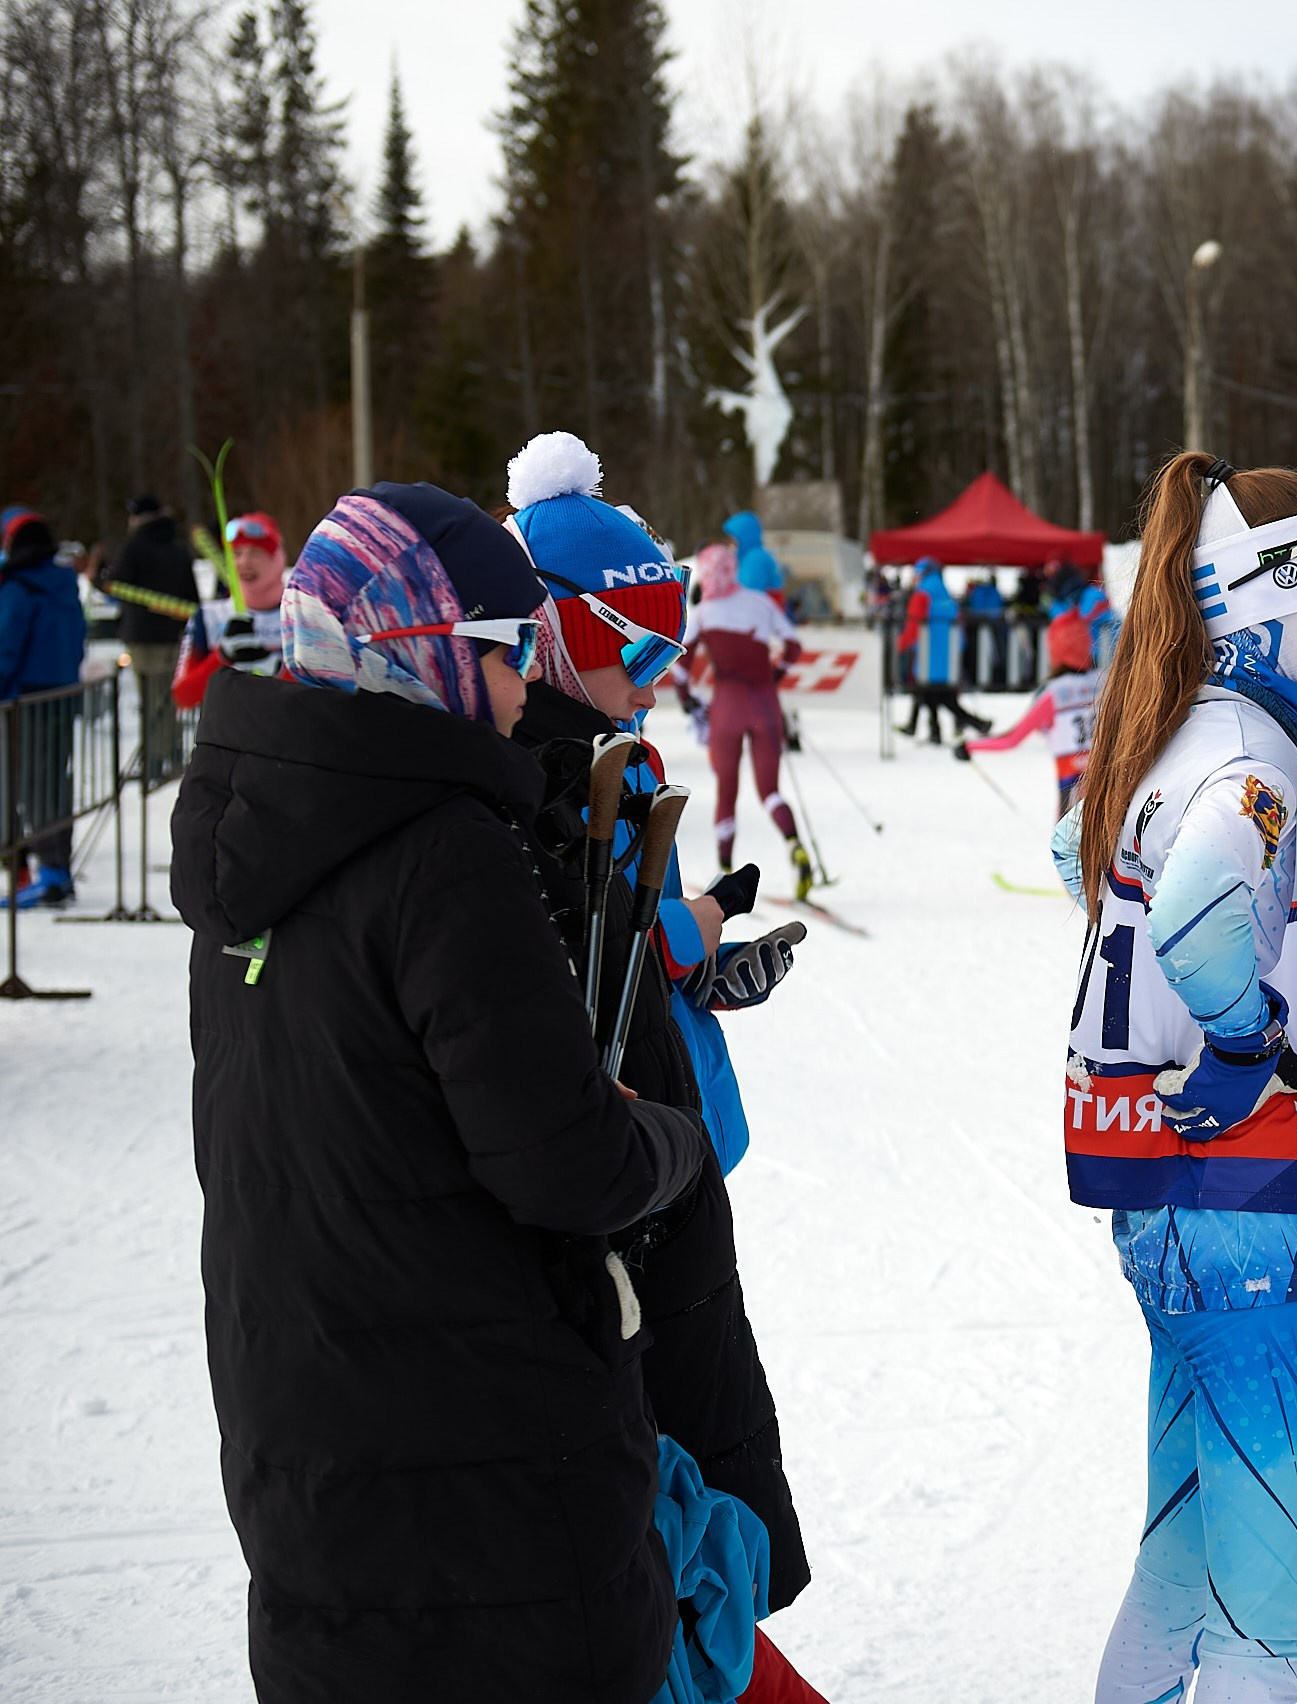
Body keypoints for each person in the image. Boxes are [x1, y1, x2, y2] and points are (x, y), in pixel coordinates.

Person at [170, 478, 709, 1703]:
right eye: (504, 648)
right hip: (481, 1468)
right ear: (417, 648)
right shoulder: (444, 849)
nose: (524, 687)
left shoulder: (253, 833)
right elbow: (568, 1161)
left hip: (303, 1442)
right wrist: (667, 1141)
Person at [1059, 451, 1297, 1704]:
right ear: (1277, 600)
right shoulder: (1250, 759)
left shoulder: (1176, 728)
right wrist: (1244, 1041)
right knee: (1264, 1621)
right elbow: (1196, 905)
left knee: (1182, 1565)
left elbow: (1073, 852)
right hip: (1247, 1221)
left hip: (1187, 1215)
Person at [500, 436, 819, 1696]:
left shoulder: (614, 773)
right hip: (617, 1226)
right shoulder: (524, 793)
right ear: (554, 632)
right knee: (660, 1551)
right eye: (634, 652)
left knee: (697, 1535)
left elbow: (624, 956)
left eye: (665, 651)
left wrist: (697, 966)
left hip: (671, 1198)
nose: (654, 679)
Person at [681, 536, 814, 894]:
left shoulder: (704, 612)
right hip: (765, 703)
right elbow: (794, 646)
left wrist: (687, 700)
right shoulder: (760, 602)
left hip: (727, 705)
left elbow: (681, 666)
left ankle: (725, 870)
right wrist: (775, 675)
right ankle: (795, 847)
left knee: (727, 790)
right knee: (770, 790)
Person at [1, 509, 88, 908]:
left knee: (31, 788)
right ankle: (57, 870)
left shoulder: (19, 587)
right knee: (55, 783)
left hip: (24, 700)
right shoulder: (63, 583)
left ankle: (48, 876)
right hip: (62, 695)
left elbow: (6, 647)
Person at [958, 605, 1101, 817]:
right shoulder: (1107, 684)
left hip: (1071, 799)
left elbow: (1010, 739)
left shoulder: (1053, 696)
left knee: (1067, 849)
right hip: (1110, 790)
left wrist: (970, 746)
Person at [103, 491, 199, 780]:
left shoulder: (134, 547)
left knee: (151, 699)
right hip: (175, 635)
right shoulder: (178, 547)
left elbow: (117, 585)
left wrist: (103, 580)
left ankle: (156, 760)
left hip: (144, 636)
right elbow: (191, 594)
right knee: (168, 699)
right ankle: (169, 752)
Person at [172, 512, 290, 709]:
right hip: (225, 736)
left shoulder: (301, 615)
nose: (244, 562)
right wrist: (222, 657)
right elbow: (183, 696)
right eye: (237, 553)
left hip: (286, 735)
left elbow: (325, 694)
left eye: (255, 552)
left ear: (276, 559)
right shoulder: (209, 616)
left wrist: (276, 670)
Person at [899, 557, 990, 743]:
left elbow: (913, 625)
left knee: (932, 694)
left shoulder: (921, 595)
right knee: (934, 693)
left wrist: (902, 644)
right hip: (946, 658)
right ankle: (934, 730)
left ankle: (971, 724)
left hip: (927, 655)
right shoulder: (946, 595)